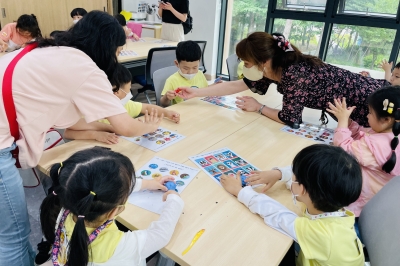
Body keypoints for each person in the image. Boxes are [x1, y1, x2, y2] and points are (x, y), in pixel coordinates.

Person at [0, 11, 163, 265]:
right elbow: (126, 126)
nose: (117, 57)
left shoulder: (54, 50)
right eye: (117, 51)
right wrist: (149, 125)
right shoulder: (84, 67)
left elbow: (73, 121)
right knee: (14, 237)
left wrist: (106, 129)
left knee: (14, 235)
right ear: (105, 46)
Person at [177, 32, 389, 128]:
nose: (244, 67)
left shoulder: (293, 73)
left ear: (264, 62)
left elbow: (290, 118)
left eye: (247, 62)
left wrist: (259, 107)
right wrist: (197, 92)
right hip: (366, 100)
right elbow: (237, 85)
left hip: (373, 103)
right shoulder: (273, 68)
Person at [36, 147, 183, 265]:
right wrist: (174, 200)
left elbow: (101, 188)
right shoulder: (121, 246)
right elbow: (160, 234)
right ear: (114, 212)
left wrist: (148, 183)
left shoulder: (63, 210)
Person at [221, 144, 364, 266]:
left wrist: (240, 191)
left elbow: (276, 214)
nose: (291, 175)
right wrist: (278, 174)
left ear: (302, 189)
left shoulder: (321, 233)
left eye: (294, 175)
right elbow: (309, 178)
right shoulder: (333, 204)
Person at [325, 87, 400, 217]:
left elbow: (342, 151)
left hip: (362, 204)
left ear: (386, 120)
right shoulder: (392, 134)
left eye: (370, 112)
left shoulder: (376, 146)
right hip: (381, 199)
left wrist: (342, 121)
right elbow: (362, 133)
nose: (367, 115)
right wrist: (348, 122)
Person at [64, 64, 180, 144]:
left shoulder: (124, 104)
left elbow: (147, 107)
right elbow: (68, 133)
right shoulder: (87, 108)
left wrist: (167, 112)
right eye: (129, 90)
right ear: (117, 91)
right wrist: (97, 135)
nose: (130, 93)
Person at [160, 41, 210, 107]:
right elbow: (163, 104)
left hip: (199, 108)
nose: (190, 72)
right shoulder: (172, 80)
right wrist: (166, 97)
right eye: (186, 68)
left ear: (199, 62)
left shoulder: (200, 74)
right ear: (177, 64)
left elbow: (205, 90)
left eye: (195, 67)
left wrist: (214, 85)